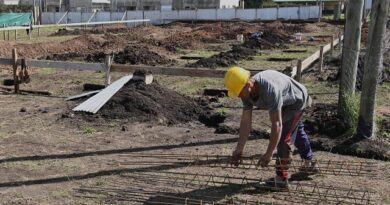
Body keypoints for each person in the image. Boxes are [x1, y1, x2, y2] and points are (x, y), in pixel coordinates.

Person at [224, 67, 318, 189]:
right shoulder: (245, 94)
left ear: (248, 84)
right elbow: (246, 122)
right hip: (284, 101)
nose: (238, 96)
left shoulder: (269, 89)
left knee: (284, 136)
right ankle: (310, 163)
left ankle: (281, 179)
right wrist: (239, 149)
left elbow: (276, 124)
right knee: (295, 130)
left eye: (239, 93)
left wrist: (269, 154)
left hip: (296, 101)